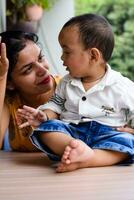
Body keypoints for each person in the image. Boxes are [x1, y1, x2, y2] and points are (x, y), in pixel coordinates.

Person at [17, 13, 134, 173]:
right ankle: (74, 150)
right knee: (45, 129)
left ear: (93, 55)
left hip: (107, 135)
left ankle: (89, 158)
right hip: (71, 132)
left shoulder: (123, 87)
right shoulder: (66, 83)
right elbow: (55, 105)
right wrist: (44, 115)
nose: (62, 57)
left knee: (127, 141)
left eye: (67, 52)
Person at [0, 30, 60, 151]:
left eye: (40, 58)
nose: (42, 70)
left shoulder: (71, 89)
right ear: (10, 83)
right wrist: (1, 77)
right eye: (28, 69)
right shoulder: (10, 102)